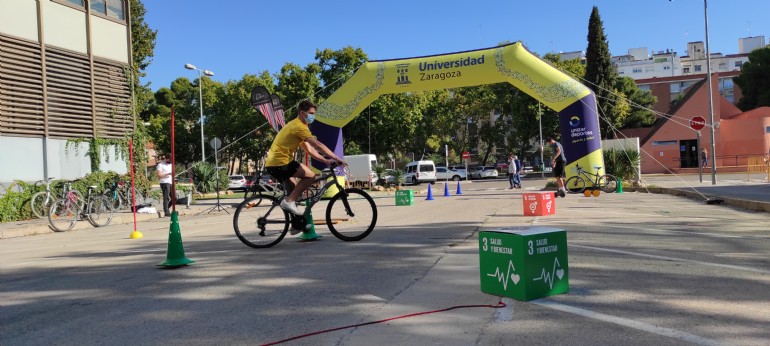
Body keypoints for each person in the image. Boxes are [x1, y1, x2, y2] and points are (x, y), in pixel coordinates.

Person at [265, 100, 345, 223]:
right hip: (281, 163)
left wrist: (325, 160)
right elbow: (318, 145)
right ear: (302, 113)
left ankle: (296, 225)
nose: (313, 116)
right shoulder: (299, 127)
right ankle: (288, 202)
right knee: (310, 176)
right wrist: (336, 158)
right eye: (311, 113)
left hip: (274, 164)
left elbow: (310, 150)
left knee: (294, 190)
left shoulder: (295, 125)